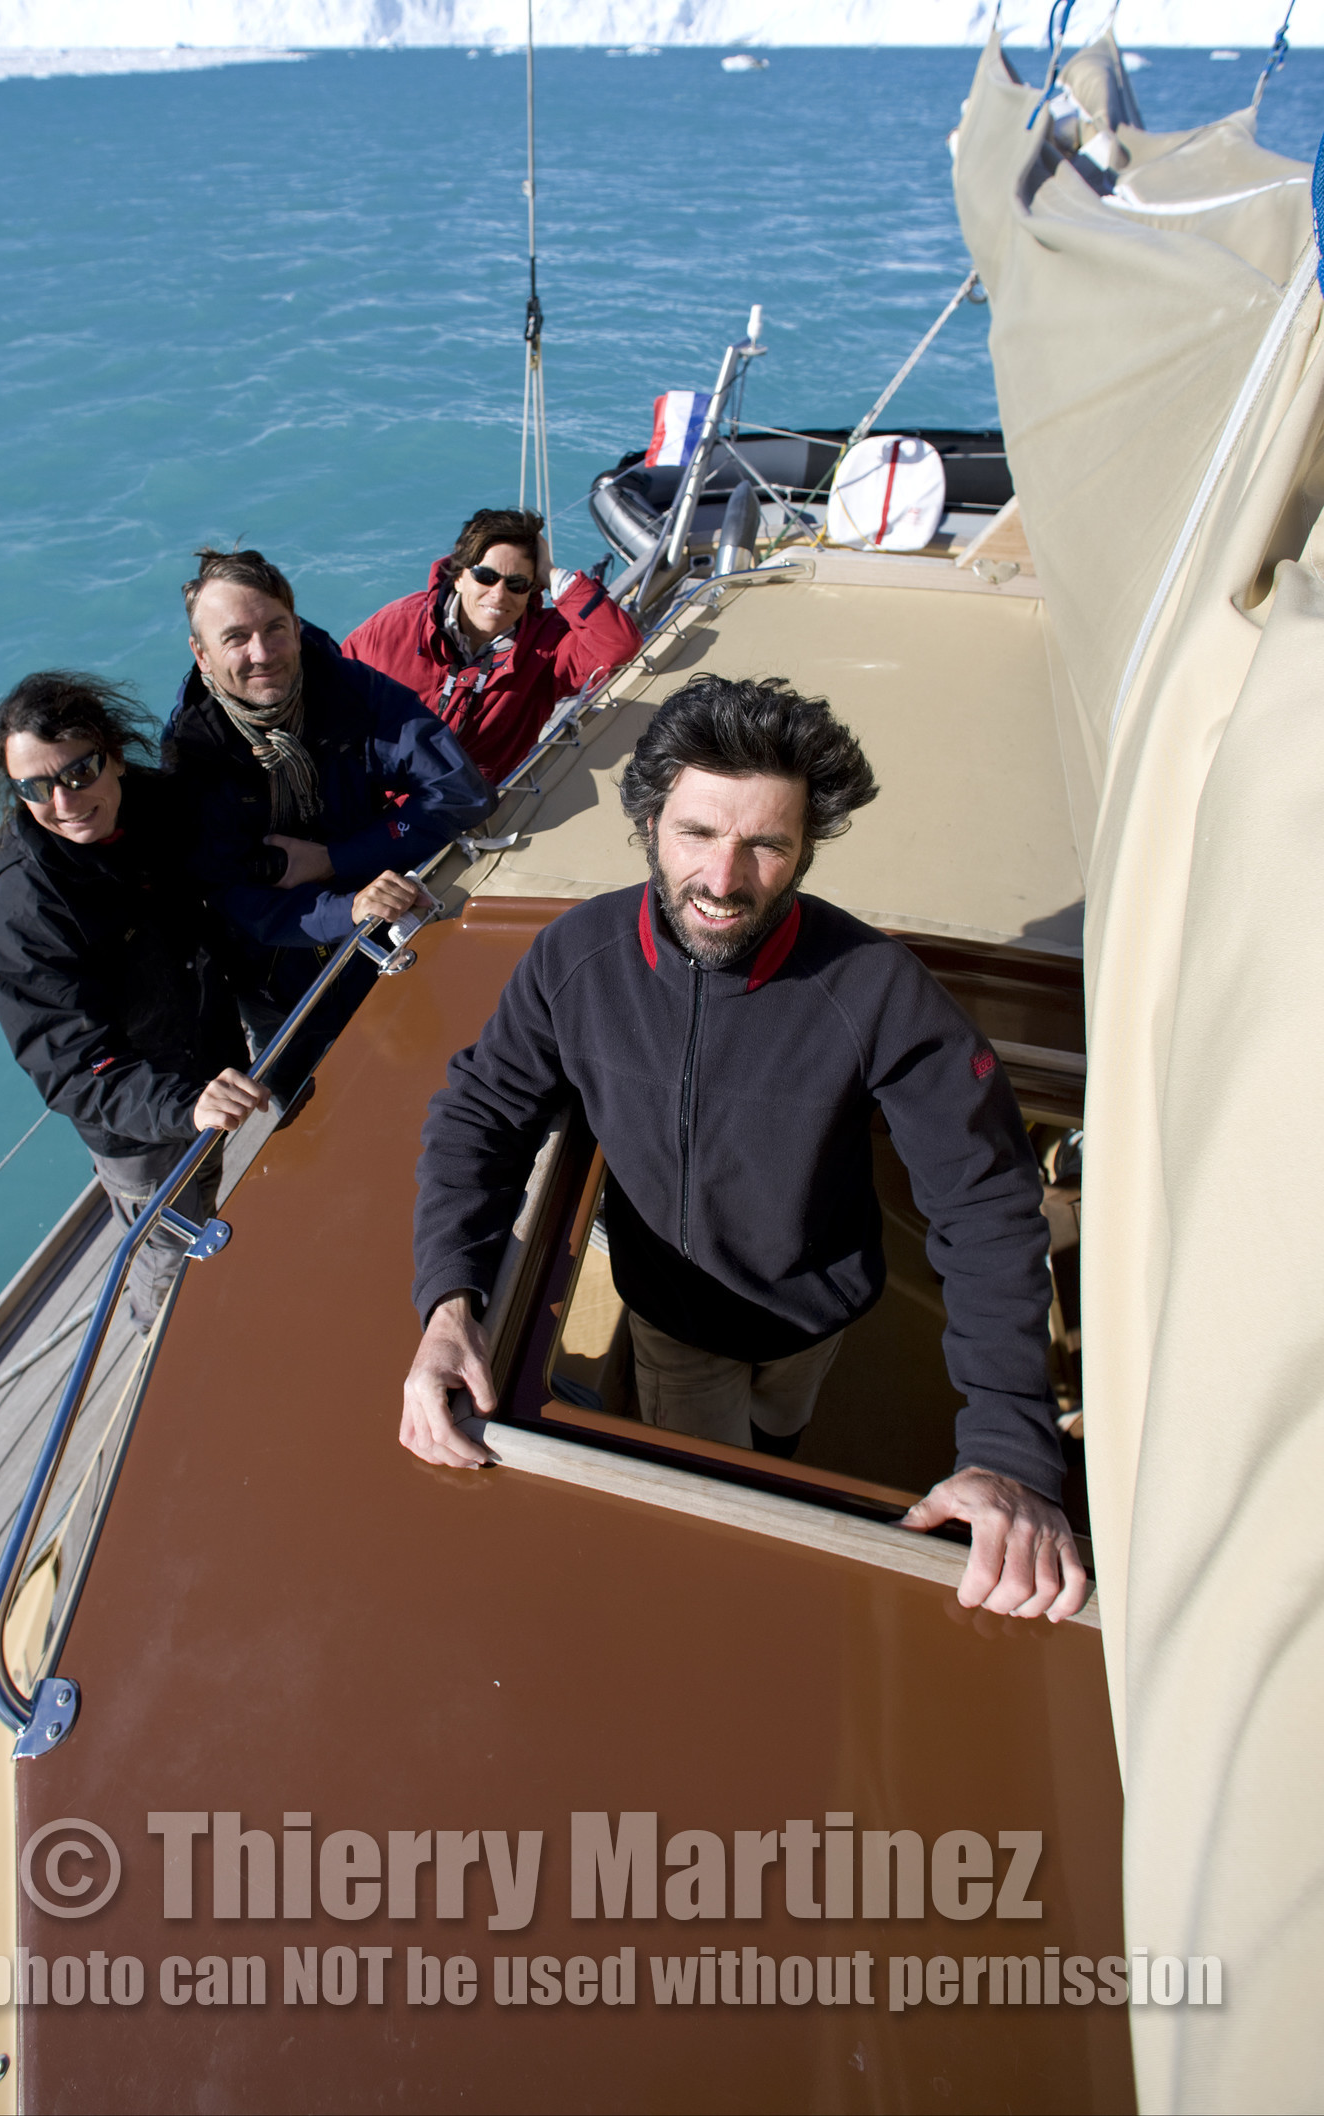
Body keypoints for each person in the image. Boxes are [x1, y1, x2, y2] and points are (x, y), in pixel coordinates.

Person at [400, 674, 1089, 1624]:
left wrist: (1011, 1452)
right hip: (675, 1320)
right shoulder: (575, 959)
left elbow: (986, 1202)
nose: (723, 881)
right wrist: (448, 1305)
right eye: (697, 834)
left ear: (807, 849)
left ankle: (783, 1444)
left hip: (821, 1312)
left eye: (765, 843)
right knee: (722, 1500)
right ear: (649, 823)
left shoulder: (878, 991)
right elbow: (481, 1114)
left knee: (783, 1428)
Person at [0, 671, 417, 1332]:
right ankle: (157, 1343)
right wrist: (185, 1105)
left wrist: (340, 897)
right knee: (171, 1250)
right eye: (35, 788)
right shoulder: (24, 918)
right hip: (138, 1124)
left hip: (212, 1053)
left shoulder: (160, 808)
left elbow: (236, 870)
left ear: (115, 755)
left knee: (230, 1187)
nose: (64, 802)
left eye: (79, 771)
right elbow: (70, 1070)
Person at [162, 547, 493, 1046]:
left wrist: (336, 860)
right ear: (201, 654)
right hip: (278, 977)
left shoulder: (347, 690)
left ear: (296, 627)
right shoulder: (195, 752)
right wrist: (347, 907)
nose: (262, 652)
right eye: (235, 638)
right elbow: (229, 893)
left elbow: (461, 792)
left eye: (274, 628)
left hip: (386, 922)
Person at [341, 508, 642, 784]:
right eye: (485, 577)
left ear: (532, 590)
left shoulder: (548, 647)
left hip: (473, 818)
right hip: (370, 797)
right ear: (459, 576)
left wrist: (551, 572)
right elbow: (331, 692)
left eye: (517, 584)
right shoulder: (393, 628)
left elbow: (620, 645)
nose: (498, 595)